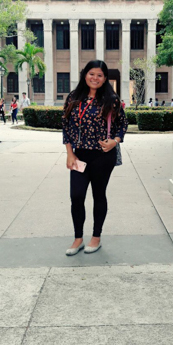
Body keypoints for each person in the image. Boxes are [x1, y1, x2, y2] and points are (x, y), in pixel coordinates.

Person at [62, 60, 128, 256]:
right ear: (85, 75)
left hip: (102, 156)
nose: (95, 78)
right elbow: (66, 126)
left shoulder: (111, 99)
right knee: (76, 196)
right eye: (92, 74)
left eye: (100, 75)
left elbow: (123, 124)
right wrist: (69, 153)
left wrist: (115, 141)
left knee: (98, 195)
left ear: (105, 78)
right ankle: (78, 238)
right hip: (79, 155)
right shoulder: (74, 98)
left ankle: (96, 237)